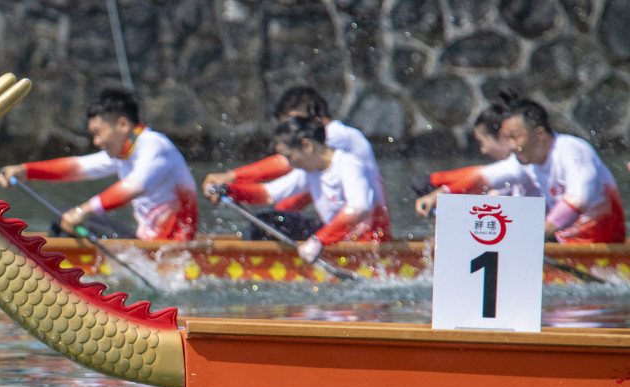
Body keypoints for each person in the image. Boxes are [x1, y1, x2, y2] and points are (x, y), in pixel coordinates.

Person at [414, 93, 625, 244]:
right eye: (506, 139)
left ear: (539, 134)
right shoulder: (526, 162)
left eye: (515, 138)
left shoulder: (573, 150)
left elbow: (579, 198)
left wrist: (534, 236)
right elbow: (484, 177)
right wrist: (440, 193)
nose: (510, 146)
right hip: (563, 243)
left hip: (601, 245)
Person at [0, 88, 199, 241]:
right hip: (148, 246)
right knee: (64, 215)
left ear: (122, 124)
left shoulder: (155, 145)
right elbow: (77, 167)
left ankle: (56, 272)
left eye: (98, 133)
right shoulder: (124, 153)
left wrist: (82, 212)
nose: (96, 142)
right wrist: (25, 170)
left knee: (66, 216)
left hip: (171, 249)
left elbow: (133, 188)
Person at [222, 116, 390, 263]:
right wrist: (229, 190)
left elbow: (359, 208)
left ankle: (252, 266)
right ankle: (253, 261)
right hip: (335, 239)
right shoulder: (309, 171)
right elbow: (269, 194)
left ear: (307, 146)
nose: (289, 164)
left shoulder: (349, 165)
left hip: (367, 246)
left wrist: (319, 240)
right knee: (265, 221)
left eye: (289, 156)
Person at [202, 86, 380, 209]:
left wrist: (230, 177)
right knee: (275, 215)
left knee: (273, 216)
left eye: (293, 122)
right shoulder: (317, 161)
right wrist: (234, 191)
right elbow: (290, 189)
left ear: (314, 119)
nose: (288, 131)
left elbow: (283, 163)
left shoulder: (338, 135)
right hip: (343, 222)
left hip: (363, 228)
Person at [412, 104, 528, 204]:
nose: (483, 150)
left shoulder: (522, 165)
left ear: (503, 137)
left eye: (482, 142)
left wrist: (435, 193)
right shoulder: (516, 167)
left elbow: (478, 177)